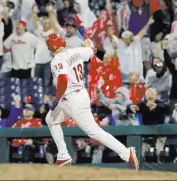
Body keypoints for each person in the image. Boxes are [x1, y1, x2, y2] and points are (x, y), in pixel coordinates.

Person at [45, 33, 138, 169]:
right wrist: (86, 38)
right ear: (62, 42)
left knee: (94, 132)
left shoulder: (56, 60)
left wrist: (56, 99)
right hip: (77, 94)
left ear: (50, 48)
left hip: (72, 98)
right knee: (51, 120)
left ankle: (126, 153)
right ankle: (63, 155)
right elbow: (92, 50)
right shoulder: (76, 51)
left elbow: (63, 80)